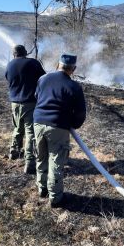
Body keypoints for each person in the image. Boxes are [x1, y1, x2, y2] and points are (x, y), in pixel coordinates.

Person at [33, 53, 86, 207]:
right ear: (73, 69)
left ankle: (42, 189)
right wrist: (74, 124)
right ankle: (55, 198)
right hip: (58, 127)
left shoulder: (43, 79)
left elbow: (37, 96)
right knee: (56, 162)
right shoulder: (74, 86)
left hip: (37, 123)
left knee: (41, 157)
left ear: (58, 65)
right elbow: (81, 113)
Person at [5, 44, 45, 173]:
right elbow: (43, 79)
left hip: (15, 103)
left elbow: (8, 79)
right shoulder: (33, 63)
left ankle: (14, 152)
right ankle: (29, 162)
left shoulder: (9, 65)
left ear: (14, 54)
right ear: (26, 53)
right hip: (30, 103)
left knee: (17, 127)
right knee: (30, 133)